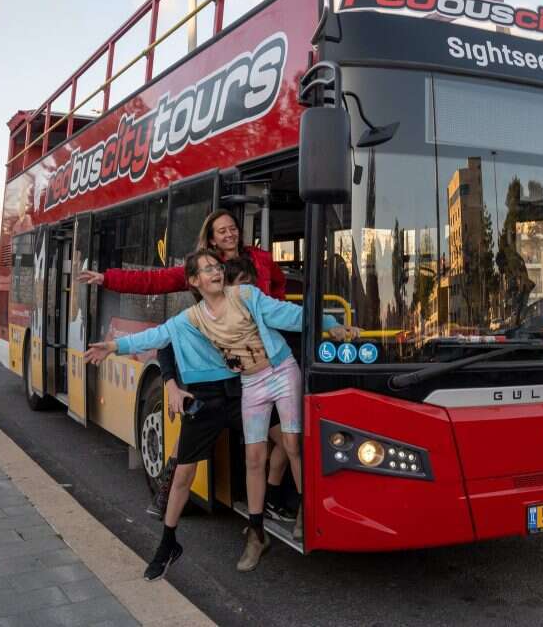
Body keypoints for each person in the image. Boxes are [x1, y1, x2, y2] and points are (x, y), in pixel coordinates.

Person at [85, 250, 355, 579]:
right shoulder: (192, 318)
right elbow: (157, 337)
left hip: (281, 371)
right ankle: (251, 534)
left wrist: (330, 324)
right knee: (252, 457)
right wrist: (113, 347)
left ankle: (308, 514)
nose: (215, 272)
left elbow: (288, 314)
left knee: (291, 442)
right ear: (194, 281)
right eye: (207, 269)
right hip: (250, 384)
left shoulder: (246, 295)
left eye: (217, 266)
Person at [77, 208, 294, 521]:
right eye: (222, 231)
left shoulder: (259, 259)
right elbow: (153, 281)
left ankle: (271, 498)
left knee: (287, 436)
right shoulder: (204, 268)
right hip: (216, 361)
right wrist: (108, 278)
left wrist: (275, 316)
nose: (230, 234)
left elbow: (278, 284)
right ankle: (167, 490)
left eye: (232, 228)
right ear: (211, 238)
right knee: (193, 433)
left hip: (257, 362)